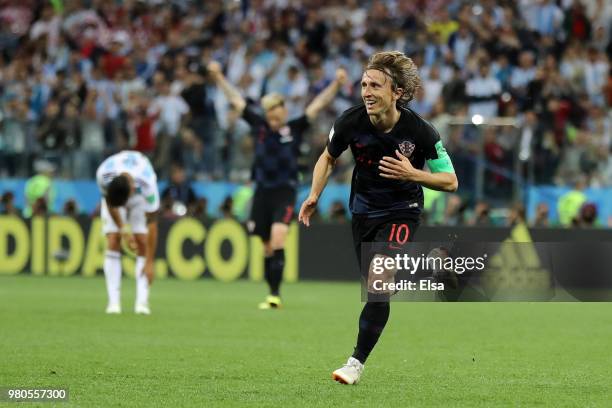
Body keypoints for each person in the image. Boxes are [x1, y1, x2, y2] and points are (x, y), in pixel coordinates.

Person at [299, 51, 458, 384]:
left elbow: (450, 181)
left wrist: (413, 173)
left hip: (402, 210)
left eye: (375, 86)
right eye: (364, 85)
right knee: (379, 290)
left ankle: (354, 364)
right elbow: (327, 159)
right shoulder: (349, 122)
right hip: (363, 211)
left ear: (396, 92)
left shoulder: (420, 131)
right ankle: (430, 266)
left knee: (379, 280)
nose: (367, 92)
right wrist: (314, 194)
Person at [208, 60, 348, 309]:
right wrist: (218, 77)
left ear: (283, 111)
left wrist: (336, 84)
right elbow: (235, 99)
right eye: (269, 115)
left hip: (285, 191)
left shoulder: (295, 128)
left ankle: (275, 295)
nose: (273, 119)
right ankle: (270, 291)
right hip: (261, 192)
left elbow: (319, 104)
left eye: (276, 113)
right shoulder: (258, 126)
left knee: (278, 237)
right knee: (265, 246)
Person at [96, 151, 160, 315]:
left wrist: (150, 262)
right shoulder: (103, 175)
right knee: (113, 239)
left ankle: (142, 303)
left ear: (132, 190)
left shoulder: (148, 184)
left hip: (139, 197)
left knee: (142, 242)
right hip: (118, 190)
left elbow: (152, 223)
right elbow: (111, 203)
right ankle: (113, 303)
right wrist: (123, 230)